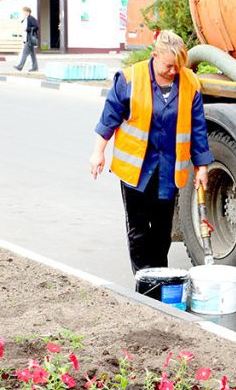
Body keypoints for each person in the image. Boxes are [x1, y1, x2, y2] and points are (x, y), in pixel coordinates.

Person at [89, 30, 214, 274]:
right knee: (138, 230)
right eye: (169, 66)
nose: (174, 72)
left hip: (168, 170)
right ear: (155, 56)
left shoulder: (190, 83)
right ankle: (143, 279)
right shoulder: (129, 79)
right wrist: (98, 152)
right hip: (137, 170)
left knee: (161, 230)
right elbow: (109, 118)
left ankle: (159, 275)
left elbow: (198, 129)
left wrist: (202, 168)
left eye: (178, 66)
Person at [15, 6, 39, 72]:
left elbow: (36, 26)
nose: (23, 13)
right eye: (23, 11)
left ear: (28, 12)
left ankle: (20, 67)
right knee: (32, 55)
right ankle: (35, 67)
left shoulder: (31, 18)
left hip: (29, 38)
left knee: (24, 53)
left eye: (24, 11)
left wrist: (27, 29)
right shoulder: (26, 18)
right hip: (26, 38)